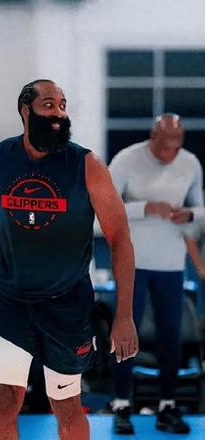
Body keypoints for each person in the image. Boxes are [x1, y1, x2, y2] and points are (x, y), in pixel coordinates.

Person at [0, 79, 138, 440]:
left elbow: (120, 238)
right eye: (49, 105)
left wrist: (124, 316)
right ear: (26, 111)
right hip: (10, 301)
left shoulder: (87, 165)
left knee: (66, 405)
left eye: (62, 105)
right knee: (4, 400)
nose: (59, 113)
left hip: (67, 305)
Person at [108, 113, 202, 435]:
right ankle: (122, 404)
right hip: (131, 262)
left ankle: (167, 405)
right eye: (164, 147)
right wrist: (145, 208)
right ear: (152, 137)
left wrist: (189, 214)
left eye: (176, 146)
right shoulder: (127, 159)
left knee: (171, 336)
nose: (169, 153)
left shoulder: (190, 163)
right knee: (124, 334)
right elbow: (103, 210)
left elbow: (200, 210)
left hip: (171, 263)